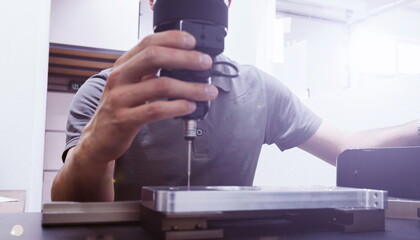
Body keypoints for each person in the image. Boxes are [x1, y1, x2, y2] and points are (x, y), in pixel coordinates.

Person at [51, 0, 420, 202]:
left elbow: (347, 149)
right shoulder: (104, 93)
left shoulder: (259, 90)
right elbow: (74, 204)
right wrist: (95, 151)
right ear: (153, 3)